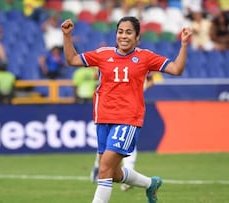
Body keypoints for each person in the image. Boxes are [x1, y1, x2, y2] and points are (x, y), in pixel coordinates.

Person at [61, 16, 191, 203]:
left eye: (129, 32)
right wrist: (67, 35)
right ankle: (150, 184)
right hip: (103, 118)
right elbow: (72, 59)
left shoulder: (145, 57)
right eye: (120, 32)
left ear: (137, 38)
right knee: (112, 173)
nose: (123, 36)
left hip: (128, 119)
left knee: (104, 168)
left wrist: (184, 45)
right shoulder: (103, 54)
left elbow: (177, 69)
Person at [90, 75, 155, 192]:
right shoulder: (109, 63)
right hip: (109, 112)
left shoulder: (137, 63)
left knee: (126, 146)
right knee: (107, 150)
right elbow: (96, 76)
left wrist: (142, 87)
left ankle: (127, 170)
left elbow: (151, 79)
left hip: (128, 113)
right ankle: (98, 167)